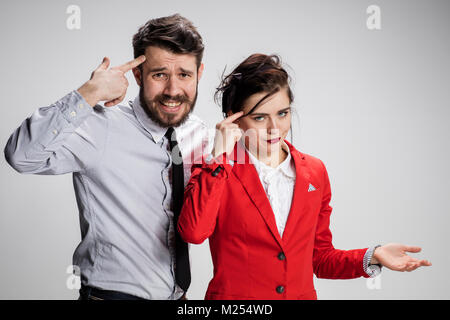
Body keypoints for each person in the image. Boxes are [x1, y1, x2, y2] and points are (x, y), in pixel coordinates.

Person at [177, 53, 432, 300]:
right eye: (259, 117)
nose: (274, 128)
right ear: (233, 118)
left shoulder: (314, 172)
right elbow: (194, 232)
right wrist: (218, 157)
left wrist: (374, 255)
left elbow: (320, 259)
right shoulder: (216, 169)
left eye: (282, 113)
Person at [4, 14, 209, 300]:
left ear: (199, 74)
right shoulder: (101, 126)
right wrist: (89, 93)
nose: (173, 90)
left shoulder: (199, 133)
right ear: (138, 75)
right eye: (159, 74)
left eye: (184, 75)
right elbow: (21, 156)